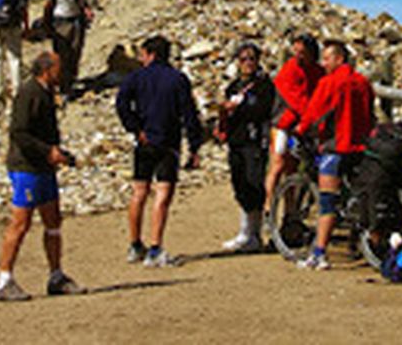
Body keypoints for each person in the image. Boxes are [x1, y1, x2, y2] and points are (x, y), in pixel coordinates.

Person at [0, 51, 85, 301]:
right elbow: (19, 132)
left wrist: (59, 154)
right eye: (58, 68)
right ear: (46, 69)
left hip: (43, 167)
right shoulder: (28, 93)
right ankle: (5, 279)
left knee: (53, 220)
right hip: (27, 167)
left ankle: (56, 275)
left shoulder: (45, 92)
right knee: (21, 223)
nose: (62, 72)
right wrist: (48, 151)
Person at [115, 34, 204, 267]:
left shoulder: (136, 77)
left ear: (150, 54)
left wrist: (134, 128)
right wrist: (194, 146)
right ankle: (155, 247)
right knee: (162, 194)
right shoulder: (178, 79)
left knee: (139, 191)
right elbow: (189, 115)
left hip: (144, 141)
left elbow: (121, 104)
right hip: (168, 142)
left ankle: (135, 244)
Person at [294, 38, 374, 270]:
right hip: (361, 147)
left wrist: (299, 131)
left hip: (336, 147)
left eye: (327, 58)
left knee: (327, 203)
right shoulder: (362, 82)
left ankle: (318, 253)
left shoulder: (330, 82)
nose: (324, 63)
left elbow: (313, 112)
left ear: (339, 59)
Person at [216, 42, 276, 252]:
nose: (248, 63)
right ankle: (246, 232)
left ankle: (253, 233)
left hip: (254, 141)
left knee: (253, 184)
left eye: (252, 58)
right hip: (236, 141)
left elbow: (262, 110)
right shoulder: (233, 86)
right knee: (240, 184)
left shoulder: (264, 85)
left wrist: (240, 107)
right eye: (243, 59)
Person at [264, 32, 322, 216]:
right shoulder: (289, 71)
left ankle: (290, 209)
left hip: (303, 124)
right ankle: (267, 205)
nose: (298, 55)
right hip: (283, 124)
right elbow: (297, 100)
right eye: (296, 51)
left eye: (302, 52)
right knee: (278, 163)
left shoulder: (317, 72)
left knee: (292, 168)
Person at [43, 0, 93, 93]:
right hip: (59, 22)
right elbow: (47, 5)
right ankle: (63, 84)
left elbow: (83, 4)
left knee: (74, 53)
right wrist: (46, 24)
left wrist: (88, 12)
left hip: (76, 22)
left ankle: (70, 81)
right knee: (61, 54)